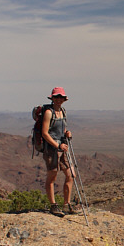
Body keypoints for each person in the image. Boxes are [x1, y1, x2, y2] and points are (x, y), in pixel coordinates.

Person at [40, 86, 75, 216]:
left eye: (61, 97)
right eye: (56, 97)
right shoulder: (49, 113)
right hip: (51, 149)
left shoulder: (63, 111)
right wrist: (57, 145)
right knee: (52, 176)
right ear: (52, 98)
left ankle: (67, 204)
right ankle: (53, 205)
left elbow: (62, 129)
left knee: (71, 175)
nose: (59, 99)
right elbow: (45, 133)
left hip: (62, 147)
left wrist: (67, 133)